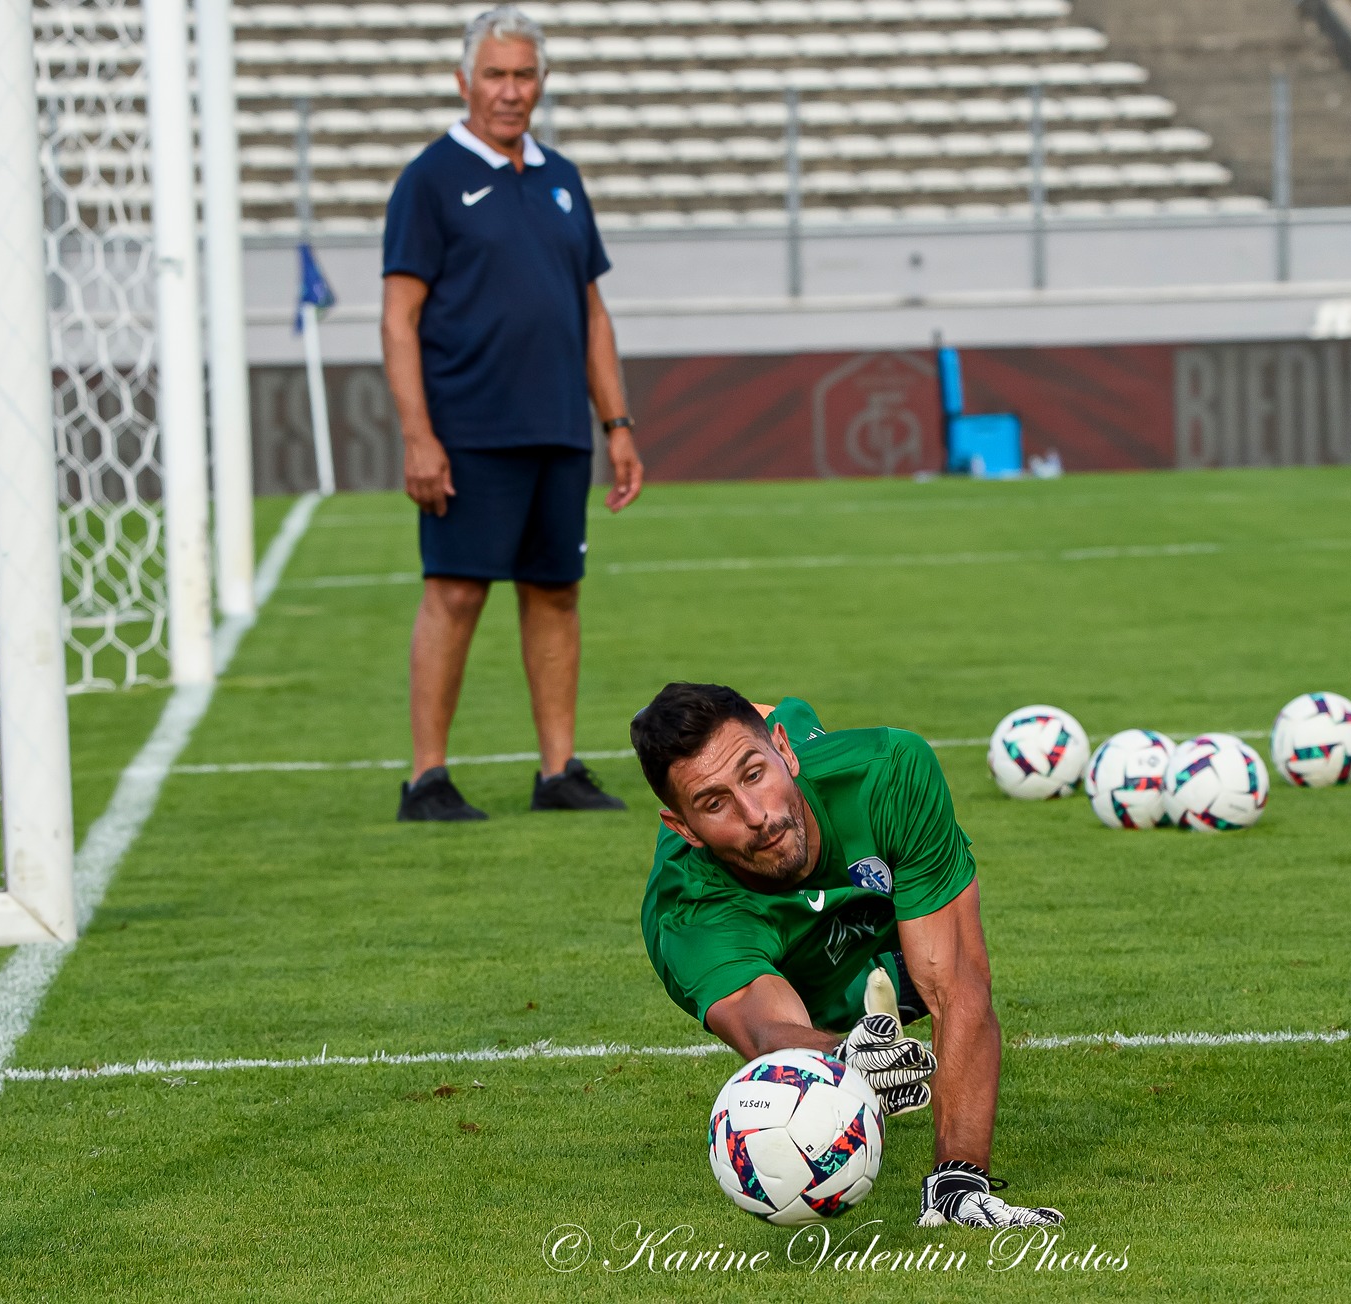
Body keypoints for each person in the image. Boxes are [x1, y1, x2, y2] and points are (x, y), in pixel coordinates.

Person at [631, 682, 1064, 1229]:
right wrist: (848, 1054)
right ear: (683, 828)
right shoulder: (688, 913)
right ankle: (761, 745)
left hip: (859, 893)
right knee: (831, 1022)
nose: (756, 815)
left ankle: (778, 722)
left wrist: (959, 1178)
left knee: (930, 963)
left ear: (783, 751)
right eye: (714, 804)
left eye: (754, 773)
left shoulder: (890, 771)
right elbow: (769, 1034)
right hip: (784, 964)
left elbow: (957, 982)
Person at [382, 6, 644, 822]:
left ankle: (557, 770)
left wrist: (618, 424)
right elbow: (399, 318)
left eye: (523, 75)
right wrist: (418, 436)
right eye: (494, 75)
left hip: (561, 427)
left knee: (556, 592)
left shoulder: (563, 178)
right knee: (456, 594)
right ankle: (427, 778)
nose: (509, 90)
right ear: (464, 82)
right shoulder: (428, 179)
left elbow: (592, 312)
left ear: (542, 82)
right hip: (468, 433)